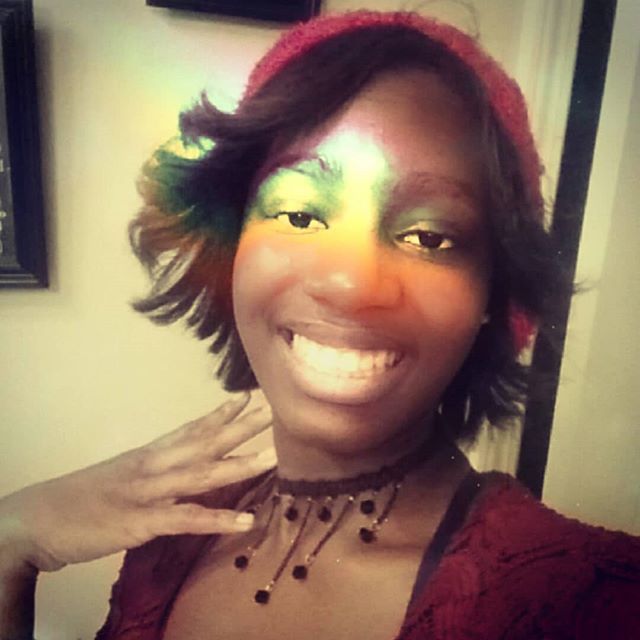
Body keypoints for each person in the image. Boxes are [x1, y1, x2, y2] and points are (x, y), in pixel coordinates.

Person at [1, 9, 639, 640]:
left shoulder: (591, 601)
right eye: (300, 216)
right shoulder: (168, 536)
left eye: (428, 236)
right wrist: (14, 538)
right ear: (231, 249)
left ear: (491, 296)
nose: (351, 285)